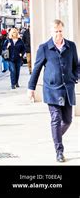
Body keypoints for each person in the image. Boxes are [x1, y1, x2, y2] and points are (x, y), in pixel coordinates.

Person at [28, 19, 78, 163]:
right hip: (52, 90)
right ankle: (59, 151)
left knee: (67, 121)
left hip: (67, 89)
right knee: (56, 119)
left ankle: (55, 136)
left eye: (60, 31)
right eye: (56, 31)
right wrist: (31, 88)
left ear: (63, 30)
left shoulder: (71, 46)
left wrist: (74, 77)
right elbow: (36, 69)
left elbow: (77, 66)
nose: (58, 34)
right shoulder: (44, 48)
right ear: (51, 32)